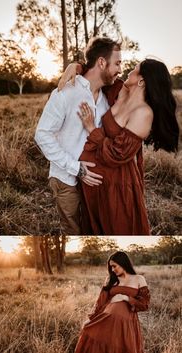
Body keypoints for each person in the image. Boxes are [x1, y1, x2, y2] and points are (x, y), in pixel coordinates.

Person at [59, 59, 179, 235]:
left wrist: (91, 128)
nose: (128, 72)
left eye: (135, 70)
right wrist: (75, 66)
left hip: (117, 185)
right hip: (95, 181)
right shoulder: (120, 91)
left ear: (142, 81)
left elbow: (118, 154)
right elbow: (99, 76)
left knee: (117, 228)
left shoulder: (144, 113)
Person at [35, 37, 122, 234]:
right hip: (67, 180)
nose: (120, 69)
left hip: (96, 181)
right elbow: (42, 135)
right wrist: (76, 168)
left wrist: (76, 65)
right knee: (74, 232)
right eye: (117, 63)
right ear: (101, 62)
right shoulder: (66, 92)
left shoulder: (107, 99)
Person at [75, 251, 150, 353]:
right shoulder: (111, 279)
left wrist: (126, 298)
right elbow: (100, 302)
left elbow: (144, 304)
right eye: (111, 267)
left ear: (123, 263)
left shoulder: (139, 279)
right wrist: (91, 318)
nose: (112, 270)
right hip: (106, 319)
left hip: (126, 324)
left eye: (114, 266)